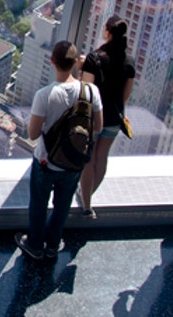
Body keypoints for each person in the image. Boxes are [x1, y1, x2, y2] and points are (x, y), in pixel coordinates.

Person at [16, 41, 102, 262]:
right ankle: (53, 245)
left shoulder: (45, 95)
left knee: (38, 204)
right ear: (75, 63)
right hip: (74, 161)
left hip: (46, 160)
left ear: (52, 61)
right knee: (62, 206)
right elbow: (98, 127)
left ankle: (35, 244)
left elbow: (33, 134)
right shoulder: (91, 91)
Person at [79, 15, 136, 218]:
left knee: (88, 160)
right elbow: (125, 96)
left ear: (108, 33)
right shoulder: (129, 62)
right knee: (101, 158)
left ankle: (86, 204)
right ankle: (89, 196)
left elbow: (86, 91)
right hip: (113, 118)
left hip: (94, 117)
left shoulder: (95, 58)